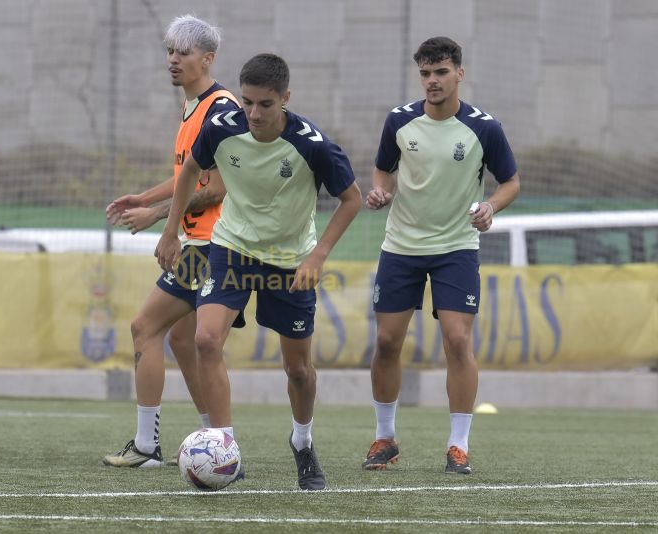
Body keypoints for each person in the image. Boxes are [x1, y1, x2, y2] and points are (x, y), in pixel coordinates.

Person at [155, 53, 362, 490]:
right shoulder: (223, 127)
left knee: (298, 371)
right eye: (247, 102)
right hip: (231, 248)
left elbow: (352, 199)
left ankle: (302, 443)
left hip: (290, 262)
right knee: (205, 339)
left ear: (285, 99)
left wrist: (318, 255)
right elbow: (191, 168)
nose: (252, 113)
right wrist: (170, 232)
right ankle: (225, 450)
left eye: (264, 104)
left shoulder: (313, 145)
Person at [362, 36, 521, 475]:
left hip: (456, 247)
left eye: (441, 72)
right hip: (401, 247)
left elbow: (510, 182)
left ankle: (458, 445)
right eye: (426, 74)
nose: (432, 81)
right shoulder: (399, 121)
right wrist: (381, 190)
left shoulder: (484, 128)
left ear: (459, 74)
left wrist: (491, 206)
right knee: (388, 342)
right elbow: (383, 168)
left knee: (457, 340)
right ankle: (385, 437)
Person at [102, 15, 242, 468]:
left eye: (183, 52)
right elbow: (189, 176)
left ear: (208, 58)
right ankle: (219, 444)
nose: (173, 59)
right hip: (206, 244)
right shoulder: (192, 108)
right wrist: (145, 196)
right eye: (170, 51)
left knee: (145, 327)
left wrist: (162, 221)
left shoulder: (220, 108)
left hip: (213, 246)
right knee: (184, 342)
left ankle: (148, 446)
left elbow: (218, 188)